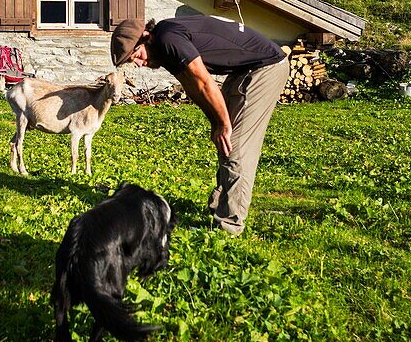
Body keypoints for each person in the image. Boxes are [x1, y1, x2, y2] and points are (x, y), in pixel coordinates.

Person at [111, 15, 290, 236]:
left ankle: (229, 227)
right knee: (224, 139)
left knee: (235, 145)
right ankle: (219, 206)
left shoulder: (168, 39)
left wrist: (224, 124)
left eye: (136, 55)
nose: (139, 64)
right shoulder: (165, 48)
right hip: (243, 71)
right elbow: (192, 88)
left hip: (266, 68)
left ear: (146, 37)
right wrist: (216, 123)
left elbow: (205, 81)